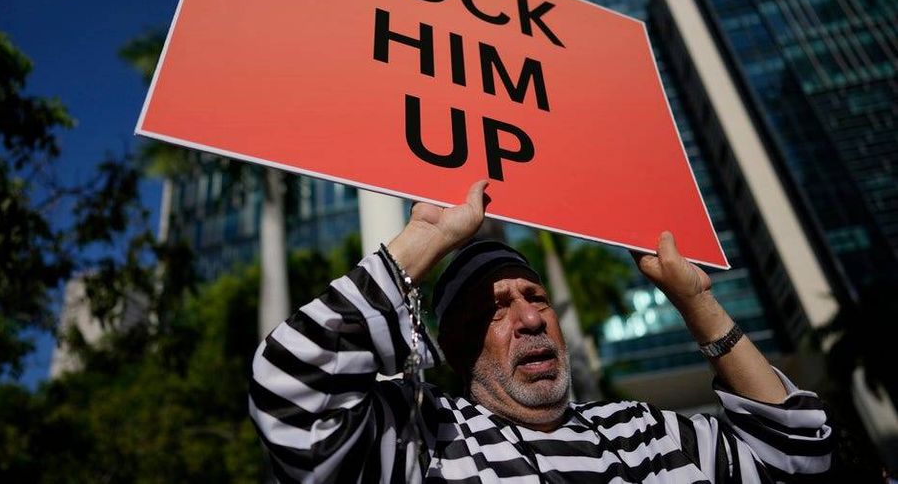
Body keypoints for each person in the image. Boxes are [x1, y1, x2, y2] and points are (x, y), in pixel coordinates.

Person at [249, 181, 833, 482]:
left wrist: (695, 302)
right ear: (454, 347)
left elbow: (795, 459)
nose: (530, 319)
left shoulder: (644, 429)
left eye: (536, 299)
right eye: (498, 307)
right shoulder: (420, 441)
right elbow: (293, 397)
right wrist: (425, 242)